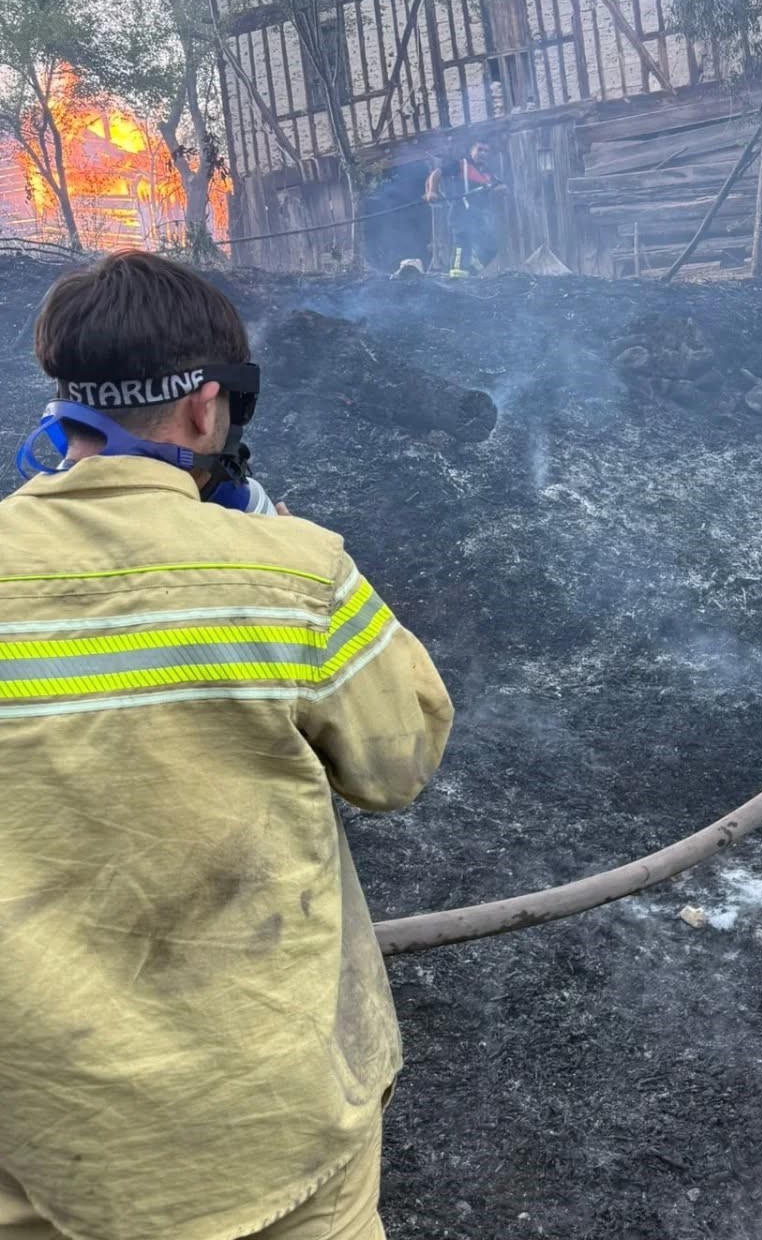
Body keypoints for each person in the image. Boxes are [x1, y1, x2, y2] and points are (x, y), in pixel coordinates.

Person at [0, 251, 454, 1240]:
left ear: (66, 404)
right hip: (272, 1138)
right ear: (208, 410)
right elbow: (399, 760)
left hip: (42, 1146)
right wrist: (285, 547)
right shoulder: (292, 574)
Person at [449, 139, 506, 276]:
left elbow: (501, 186)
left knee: (491, 247)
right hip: (461, 214)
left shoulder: (487, 173)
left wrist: (500, 189)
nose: (483, 153)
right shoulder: (461, 165)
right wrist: (431, 191)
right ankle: (456, 279)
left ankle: (471, 271)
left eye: (486, 151)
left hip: (478, 216)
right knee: (462, 246)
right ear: (471, 151)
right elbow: (436, 173)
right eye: (480, 149)